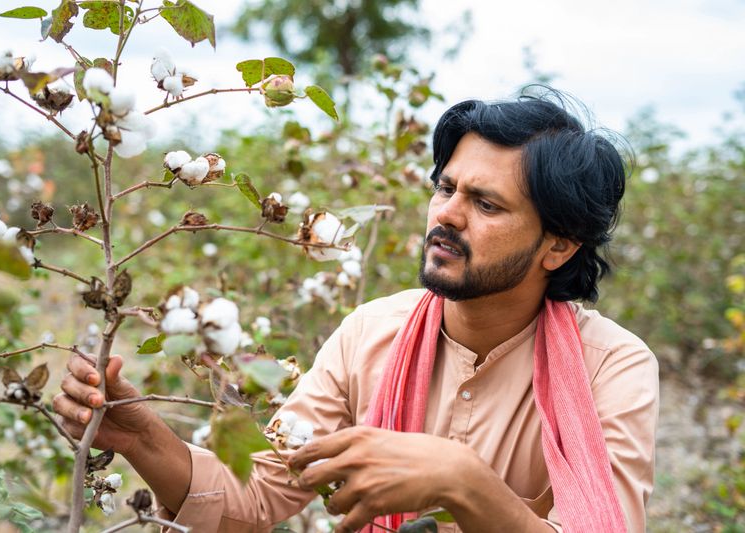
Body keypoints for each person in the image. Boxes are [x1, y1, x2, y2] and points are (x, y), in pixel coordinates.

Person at [55, 90, 659, 533]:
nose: (447, 214)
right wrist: (143, 439)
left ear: (559, 243)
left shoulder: (613, 367)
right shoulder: (371, 333)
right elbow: (258, 494)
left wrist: (466, 482)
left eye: (487, 203)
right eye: (446, 188)